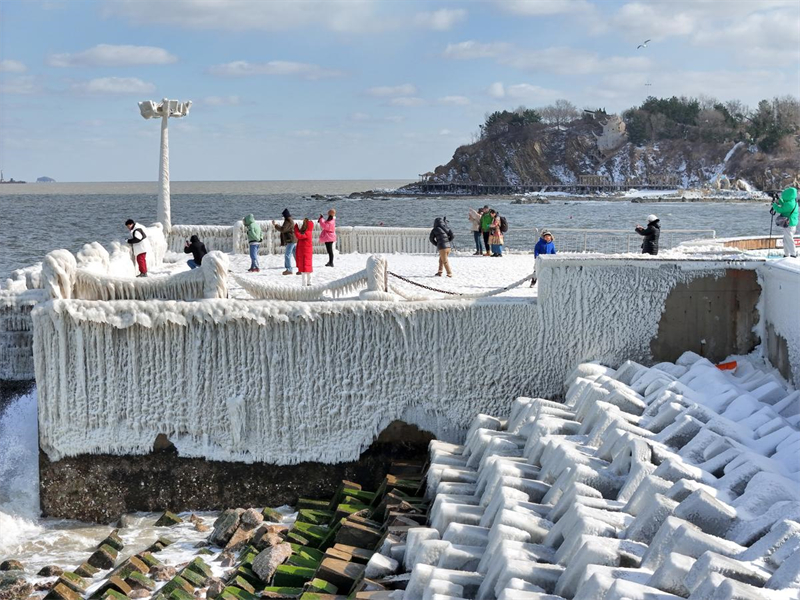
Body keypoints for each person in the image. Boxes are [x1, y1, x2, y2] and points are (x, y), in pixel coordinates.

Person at [771, 187, 798, 258]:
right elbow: (784, 204)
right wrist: (778, 199)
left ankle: (793, 254)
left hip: (789, 225)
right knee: (786, 239)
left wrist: (774, 205)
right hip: (791, 224)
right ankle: (787, 254)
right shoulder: (792, 202)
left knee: (789, 240)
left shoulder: (790, 204)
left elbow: (780, 209)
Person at [273, 208, 297, 275]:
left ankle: (289, 269)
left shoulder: (288, 221)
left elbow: (283, 229)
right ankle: (300, 267)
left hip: (290, 240)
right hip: (293, 239)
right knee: (295, 254)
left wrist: (275, 225)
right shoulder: (291, 220)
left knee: (287, 255)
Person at [294, 217, 315, 286]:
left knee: (304, 269)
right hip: (306, 253)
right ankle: (309, 282)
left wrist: (296, 229)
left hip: (304, 253)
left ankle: (304, 284)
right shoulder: (308, 232)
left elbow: (299, 236)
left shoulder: (307, 233)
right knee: (308, 268)